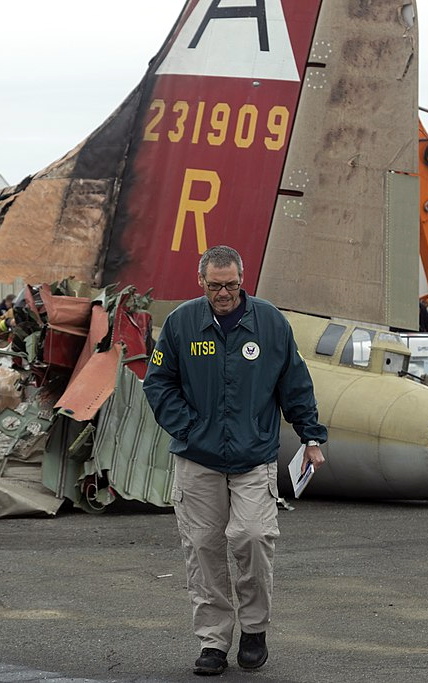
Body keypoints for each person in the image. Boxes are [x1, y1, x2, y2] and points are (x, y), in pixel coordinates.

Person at [143, 245, 327, 676]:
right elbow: (158, 382)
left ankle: (255, 629)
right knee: (203, 550)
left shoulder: (270, 323)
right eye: (215, 285)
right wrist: (187, 427)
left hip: (253, 456)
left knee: (253, 538)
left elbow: (294, 384)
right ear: (200, 280)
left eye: (231, 285)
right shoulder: (181, 323)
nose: (223, 293)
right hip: (197, 459)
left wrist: (311, 435)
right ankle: (213, 642)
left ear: (242, 281)